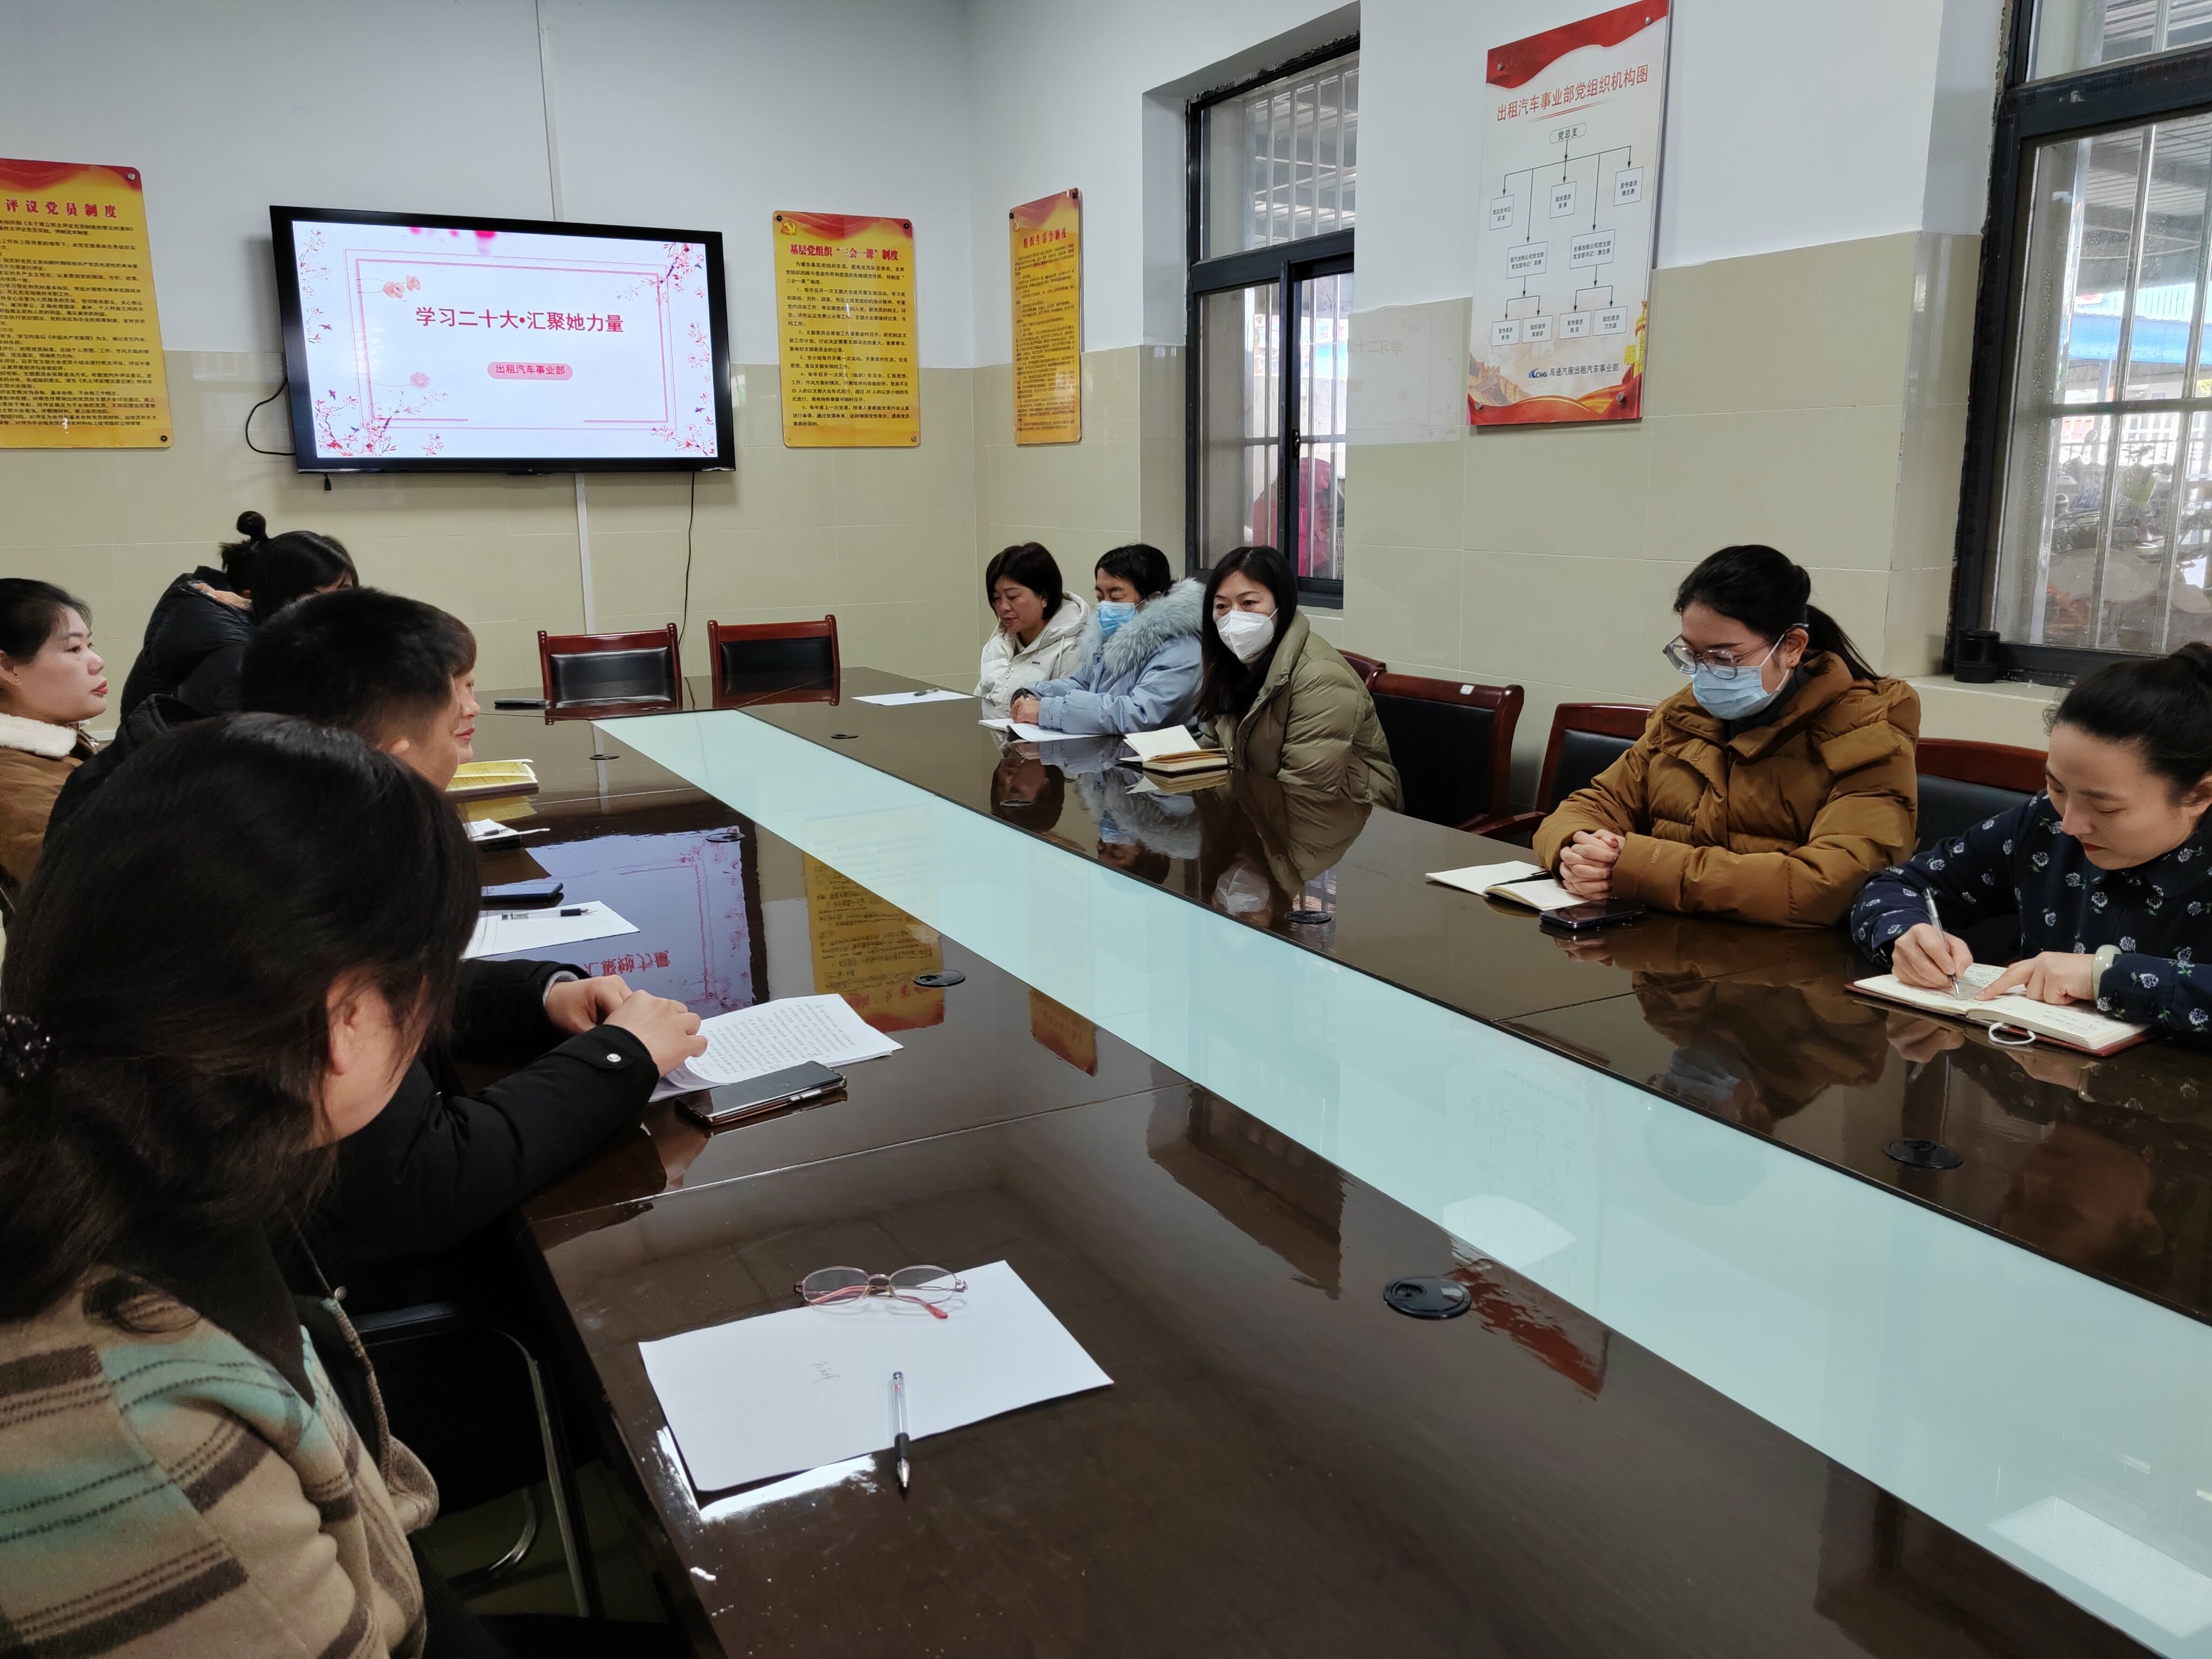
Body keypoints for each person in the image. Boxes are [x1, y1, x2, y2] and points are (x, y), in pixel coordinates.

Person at [0, 716, 686, 1657]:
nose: (435, 1009)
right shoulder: (139, 1429)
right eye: (428, 981)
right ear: (343, 1022)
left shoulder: (113, 1130)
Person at [1533, 544, 1920, 926]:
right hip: (1668, 945)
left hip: (1787, 959)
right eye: (1693, 654)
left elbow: (1831, 884)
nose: (1705, 672)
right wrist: (1577, 850)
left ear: (1791, 647)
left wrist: (1637, 866)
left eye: (1724, 658)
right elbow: (1590, 807)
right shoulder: (1683, 717)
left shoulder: (1866, 733)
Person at [1852, 644, 2212, 1036]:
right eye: (2057, 788)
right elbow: (1897, 886)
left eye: (2105, 808)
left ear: (2199, 796)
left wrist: (2105, 977)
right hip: (2032, 1061)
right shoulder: (2045, 822)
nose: (2070, 825)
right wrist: (1907, 934)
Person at [1193, 544, 1400, 808]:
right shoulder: (1232, 667)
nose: (1234, 617)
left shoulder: (1321, 678)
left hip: (1349, 817)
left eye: (1249, 603)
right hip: (1262, 813)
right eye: (1222, 606)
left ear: (1282, 604)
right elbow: (1210, 761)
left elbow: (1303, 795)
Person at [118, 510, 357, 719]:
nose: (336, 610)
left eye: (345, 594)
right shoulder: (239, 665)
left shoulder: (252, 624)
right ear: (276, 596)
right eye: (314, 598)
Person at [1010, 543, 1205, 734]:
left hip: (1159, 755)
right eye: (1100, 597)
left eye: (1116, 597)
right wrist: (1035, 694)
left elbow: (1139, 715)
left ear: (1152, 600)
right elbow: (1084, 684)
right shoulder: (1113, 637)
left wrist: (1049, 711)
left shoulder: (1181, 650)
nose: (1105, 606)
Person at [0, 579, 107, 904]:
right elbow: (89, 886)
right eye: (74, 649)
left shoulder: (60, 743)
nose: (97, 661)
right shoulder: (11, 779)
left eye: (89, 645)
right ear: (6, 667)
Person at [975, 541, 1089, 718]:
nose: (1003, 607)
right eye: (996, 598)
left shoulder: (1074, 647)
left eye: (1013, 597)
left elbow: (1072, 713)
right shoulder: (998, 643)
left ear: (1044, 597)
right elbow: (980, 703)